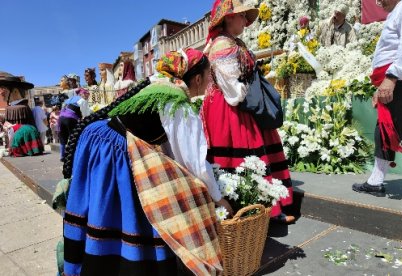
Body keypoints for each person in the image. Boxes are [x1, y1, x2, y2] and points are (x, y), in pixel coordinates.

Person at [60, 48, 228, 275]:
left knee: (101, 209)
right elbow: (194, 164)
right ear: (197, 78)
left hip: (99, 140)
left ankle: (99, 261)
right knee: (121, 215)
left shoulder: (159, 86)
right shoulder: (179, 103)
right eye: (208, 76)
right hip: (116, 151)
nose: (210, 82)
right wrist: (218, 198)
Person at [201, 0, 294, 223]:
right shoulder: (223, 46)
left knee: (254, 156)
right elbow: (233, 90)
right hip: (230, 109)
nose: (245, 21)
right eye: (242, 16)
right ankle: (254, 212)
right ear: (228, 18)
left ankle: (264, 209)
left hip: (237, 105)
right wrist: (253, 93)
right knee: (243, 156)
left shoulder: (233, 42)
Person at [352, 0, 402, 195]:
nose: (378, 2)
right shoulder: (397, 11)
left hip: (399, 80)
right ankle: (375, 181)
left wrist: (392, 77)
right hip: (392, 79)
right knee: (383, 130)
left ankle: (375, 181)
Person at [58, 88, 91, 161]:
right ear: (82, 94)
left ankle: (62, 156)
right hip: (70, 119)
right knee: (73, 136)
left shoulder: (70, 99)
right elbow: (86, 114)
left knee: (63, 137)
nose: (87, 96)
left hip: (60, 119)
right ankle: (73, 154)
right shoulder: (82, 100)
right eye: (86, 94)